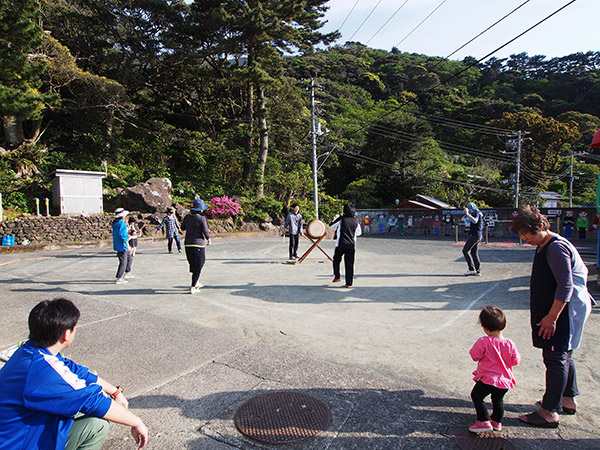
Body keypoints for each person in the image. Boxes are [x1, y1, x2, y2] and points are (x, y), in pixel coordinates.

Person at [0, 298, 148, 450]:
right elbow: (92, 401)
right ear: (66, 334)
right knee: (97, 426)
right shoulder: (44, 372)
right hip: (21, 444)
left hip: (19, 434)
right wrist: (136, 422)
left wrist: (115, 392)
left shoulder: (32, 351)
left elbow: (73, 369)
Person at [511, 206, 594, 428]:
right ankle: (567, 399)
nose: (524, 239)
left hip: (563, 310)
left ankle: (548, 411)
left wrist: (551, 317)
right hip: (558, 309)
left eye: (525, 234)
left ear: (537, 227)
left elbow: (565, 286)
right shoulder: (544, 244)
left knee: (556, 357)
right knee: (564, 355)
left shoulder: (556, 248)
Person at [468, 306, 521, 434]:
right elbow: (516, 361)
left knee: (477, 396)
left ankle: (483, 420)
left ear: (484, 328)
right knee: (498, 400)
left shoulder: (483, 341)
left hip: (488, 379)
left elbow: (475, 356)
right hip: (504, 381)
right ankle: (496, 421)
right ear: (505, 325)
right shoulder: (509, 343)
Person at [181, 198, 211, 294]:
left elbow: (182, 227)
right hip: (198, 244)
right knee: (199, 264)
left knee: (193, 264)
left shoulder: (187, 217)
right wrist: (208, 238)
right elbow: (205, 230)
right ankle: (193, 287)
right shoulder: (201, 218)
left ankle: (196, 282)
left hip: (188, 243)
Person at [330, 203, 362, 288]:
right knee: (349, 264)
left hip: (341, 244)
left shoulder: (341, 219)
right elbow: (359, 233)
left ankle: (337, 276)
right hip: (351, 245)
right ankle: (349, 283)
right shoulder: (356, 220)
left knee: (336, 260)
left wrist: (334, 219)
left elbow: (331, 226)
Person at [462, 202, 484, 276]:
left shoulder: (478, 213)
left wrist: (468, 214)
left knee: (465, 251)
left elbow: (475, 221)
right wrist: (467, 215)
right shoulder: (476, 214)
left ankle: (471, 269)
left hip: (475, 235)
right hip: (477, 235)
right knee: (473, 253)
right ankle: (477, 270)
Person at [112, 208, 133, 284]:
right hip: (122, 245)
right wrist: (128, 246)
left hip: (118, 244)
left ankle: (127, 272)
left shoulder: (115, 223)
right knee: (123, 262)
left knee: (129, 258)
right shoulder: (122, 223)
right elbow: (123, 235)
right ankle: (119, 278)